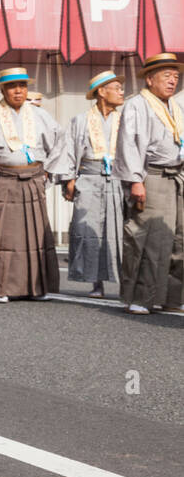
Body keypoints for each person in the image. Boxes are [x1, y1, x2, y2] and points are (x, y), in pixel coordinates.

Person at [0, 68, 68, 303]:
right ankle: (2, 287)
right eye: (12, 87)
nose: (18, 91)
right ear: (2, 90)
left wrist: (48, 170)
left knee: (36, 234)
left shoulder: (39, 115)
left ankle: (36, 288)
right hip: (6, 180)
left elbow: (60, 139)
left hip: (34, 178)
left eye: (22, 86)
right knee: (6, 236)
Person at [114, 52, 184, 315]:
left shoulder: (176, 106)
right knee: (149, 239)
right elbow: (129, 144)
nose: (172, 81)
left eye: (176, 77)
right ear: (150, 79)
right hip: (151, 176)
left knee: (179, 239)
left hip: (178, 175)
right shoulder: (137, 105)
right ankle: (141, 298)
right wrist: (135, 180)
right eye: (166, 76)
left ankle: (172, 297)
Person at [60, 70, 125, 299]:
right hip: (89, 177)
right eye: (116, 88)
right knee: (88, 229)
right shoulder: (81, 120)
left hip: (118, 178)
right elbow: (68, 151)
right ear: (101, 92)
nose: (121, 92)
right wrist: (69, 179)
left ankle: (124, 283)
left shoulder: (125, 118)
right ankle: (95, 283)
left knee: (118, 231)